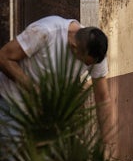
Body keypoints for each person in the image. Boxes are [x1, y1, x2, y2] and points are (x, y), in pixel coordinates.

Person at [0, 16, 112, 154]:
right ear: (74, 47)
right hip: (13, 103)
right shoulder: (45, 31)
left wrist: (107, 147)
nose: (87, 67)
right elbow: (4, 57)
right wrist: (35, 91)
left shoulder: (96, 54)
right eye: (85, 63)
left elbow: (103, 99)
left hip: (46, 115)